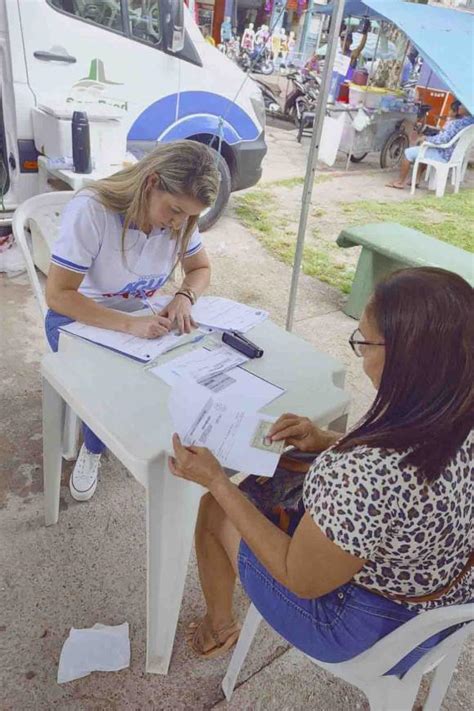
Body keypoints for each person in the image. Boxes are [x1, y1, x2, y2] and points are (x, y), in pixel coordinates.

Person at [169, 267, 473, 667]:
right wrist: (326, 440)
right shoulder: (453, 405)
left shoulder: (364, 474)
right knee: (272, 481)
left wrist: (217, 481)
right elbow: (404, 481)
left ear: (402, 358)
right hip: (441, 590)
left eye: (363, 343)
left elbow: (302, 579)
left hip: (368, 627)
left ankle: (218, 628)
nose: (361, 355)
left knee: (216, 507)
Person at [45, 140, 219, 502]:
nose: (178, 223)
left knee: (188, 364)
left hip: (141, 314)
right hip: (78, 315)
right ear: (152, 181)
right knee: (110, 382)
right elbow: (59, 295)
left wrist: (184, 296)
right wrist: (129, 325)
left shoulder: (180, 220)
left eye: (188, 216)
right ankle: (93, 447)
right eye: (174, 211)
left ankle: (140, 429)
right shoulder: (93, 210)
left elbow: (200, 268)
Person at [389, 103, 474, 190]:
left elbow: (442, 139)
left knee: (408, 153)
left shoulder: (457, 123)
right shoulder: (470, 122)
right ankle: (416, 179)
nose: (460, 106)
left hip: (443, 154)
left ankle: (399, 182)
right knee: (426, 149)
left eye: (462, 105)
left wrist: (425, 139)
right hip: (454, 154)